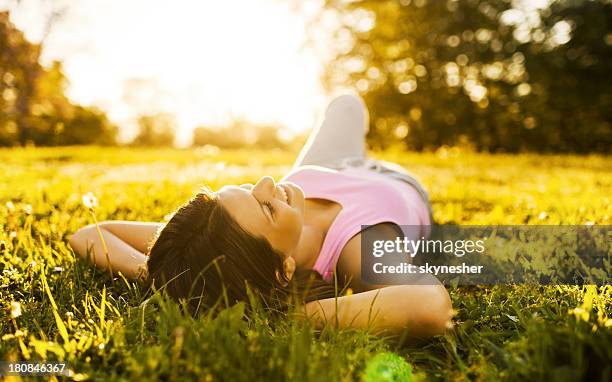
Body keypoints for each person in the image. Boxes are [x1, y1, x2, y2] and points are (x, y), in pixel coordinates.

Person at [69, 94, 453, 340]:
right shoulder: (358, 248)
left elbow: (90, 233)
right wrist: (287, 316)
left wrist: (163, 276)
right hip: (397, 181)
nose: (268, 183)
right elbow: (431, 307)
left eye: (250, 188)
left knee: (347, 103)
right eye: (267, 208)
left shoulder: (220, 241)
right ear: (283, 270)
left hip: (327, 168)